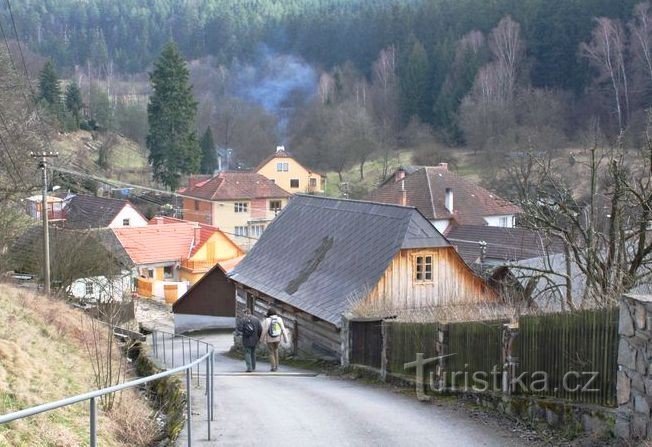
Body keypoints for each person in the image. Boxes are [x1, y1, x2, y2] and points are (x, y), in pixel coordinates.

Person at [236, 308, 262, 372]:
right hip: (255, 339)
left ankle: (249, 368)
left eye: (244, 313)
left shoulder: (243, 320)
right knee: (253, 353)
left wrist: (241, 333)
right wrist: (258, 337)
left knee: (247, 353)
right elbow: (260, 329)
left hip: (246, 339)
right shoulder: (256, 320)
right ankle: (253, 367)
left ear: (245, 313)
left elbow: (239, 329)